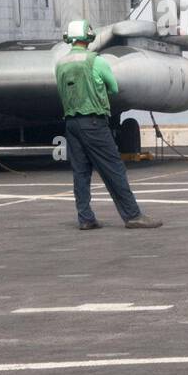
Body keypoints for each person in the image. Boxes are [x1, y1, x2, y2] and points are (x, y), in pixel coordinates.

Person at [55, 19, 162, 230]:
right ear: (88, 37)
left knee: (81, 172)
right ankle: (132, 215)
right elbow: (113, 87)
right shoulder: (97, 61)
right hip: (93, 122)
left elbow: (61, 91)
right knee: (114, 169)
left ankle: (85, 218)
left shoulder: (61, 63)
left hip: (71, 124)